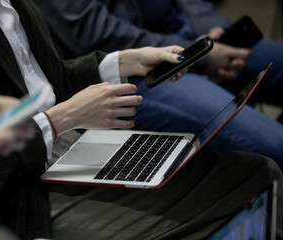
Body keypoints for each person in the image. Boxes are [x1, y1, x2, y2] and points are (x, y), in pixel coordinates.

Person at [0, 1, 282, 240]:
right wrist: (62, 118)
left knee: (256, 169)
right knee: (256, 173)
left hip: (72, 147)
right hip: (27, 191)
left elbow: (42, 79)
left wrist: (123, 62)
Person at [33, 0, 283, 169]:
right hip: (137, 73)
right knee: (274, 145)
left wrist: (212, 30)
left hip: (188, 38)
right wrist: (200, 57)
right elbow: (95, 34)